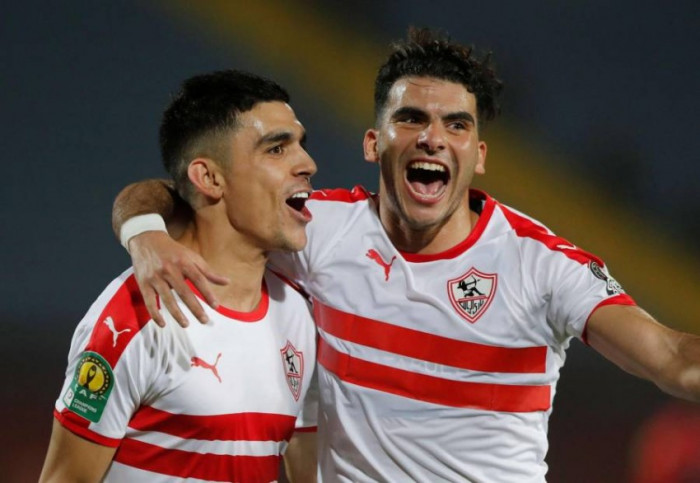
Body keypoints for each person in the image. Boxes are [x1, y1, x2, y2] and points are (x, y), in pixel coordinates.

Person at [111, 29, 700, 482]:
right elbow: (182, 193)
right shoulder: (319, 231)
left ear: (479, 154)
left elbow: (673, 358)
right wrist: (145, 235)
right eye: (411, 118)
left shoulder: (540, 265)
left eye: (456, 124)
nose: (432, 138)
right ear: (374, 143)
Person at [40, 70, 319, 482]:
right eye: (276, 149)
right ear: (209, 178)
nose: (308, 164)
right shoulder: (136, 317)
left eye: (300, 145)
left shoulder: (297, 314)